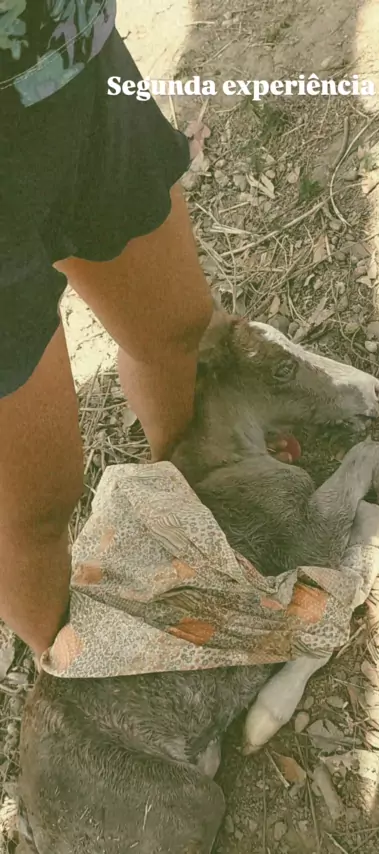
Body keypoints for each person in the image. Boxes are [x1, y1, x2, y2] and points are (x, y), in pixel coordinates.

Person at [0, 1, 214, 659]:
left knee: (177, 330)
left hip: (69, 58)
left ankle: (192, 514)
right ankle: (69, 669)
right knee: (35, 502)